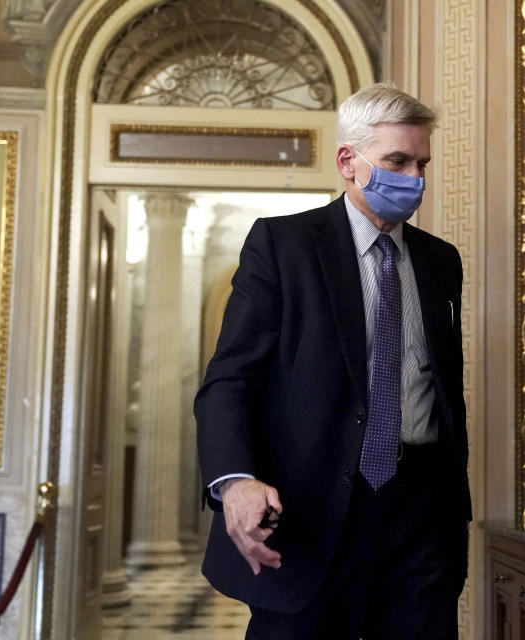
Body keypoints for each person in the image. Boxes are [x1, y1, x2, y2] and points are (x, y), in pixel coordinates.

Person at [194, 84, 471, 640]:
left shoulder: (440, 262)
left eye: (422, 163)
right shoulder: (282, 246)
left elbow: (437, 386)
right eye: (397, 161)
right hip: (311, 513)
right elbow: (230, 380)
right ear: (349, 160)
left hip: (420, 518)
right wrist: (236, 481)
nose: (414, 179)